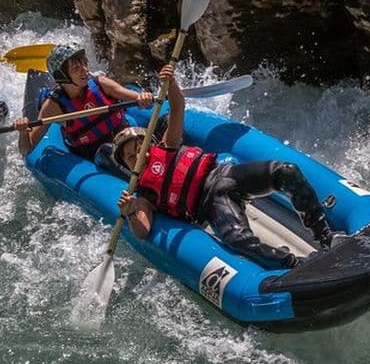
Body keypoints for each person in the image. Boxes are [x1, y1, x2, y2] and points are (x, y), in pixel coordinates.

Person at [113, 65, 334, 270]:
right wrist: (130, 211)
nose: (137, 157)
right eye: (131, 157)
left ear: (149, 145)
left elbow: (178, 105)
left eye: (139, 149)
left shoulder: (168, 144)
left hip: (225, 175)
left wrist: (169, 82)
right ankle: (295, 264)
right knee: (238, 239)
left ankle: (326, 237)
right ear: (127, 166)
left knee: (286, 171)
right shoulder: (142, 195)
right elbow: (142, 231)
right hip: (210, 203)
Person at [13, 43, 154, 158]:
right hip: (96, 152)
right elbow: (27, 149)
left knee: (140, 143)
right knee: (107, 152)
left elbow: (136, 99)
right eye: (76, 68)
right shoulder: (53, 107)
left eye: (85, 64)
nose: (85, 70)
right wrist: (23, 132)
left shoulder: (101, 84)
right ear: (63, 76)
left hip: (124, 134)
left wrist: (143, 98)